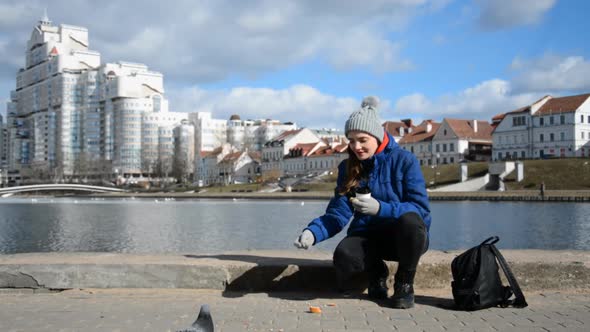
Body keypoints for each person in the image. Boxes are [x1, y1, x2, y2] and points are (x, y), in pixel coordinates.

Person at [294, 96, 431, 309]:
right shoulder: (347, 168)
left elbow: (421, 211)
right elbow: (337, 214)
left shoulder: (405, 161)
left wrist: (381, 208)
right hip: (368, 238)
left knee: (412, 222)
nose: (356, 146)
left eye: (362, 140)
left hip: (403, 238)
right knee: (344, 255)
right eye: (351, 140)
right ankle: (377, 274)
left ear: (377, 136)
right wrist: (313, 232)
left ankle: (404, 283)